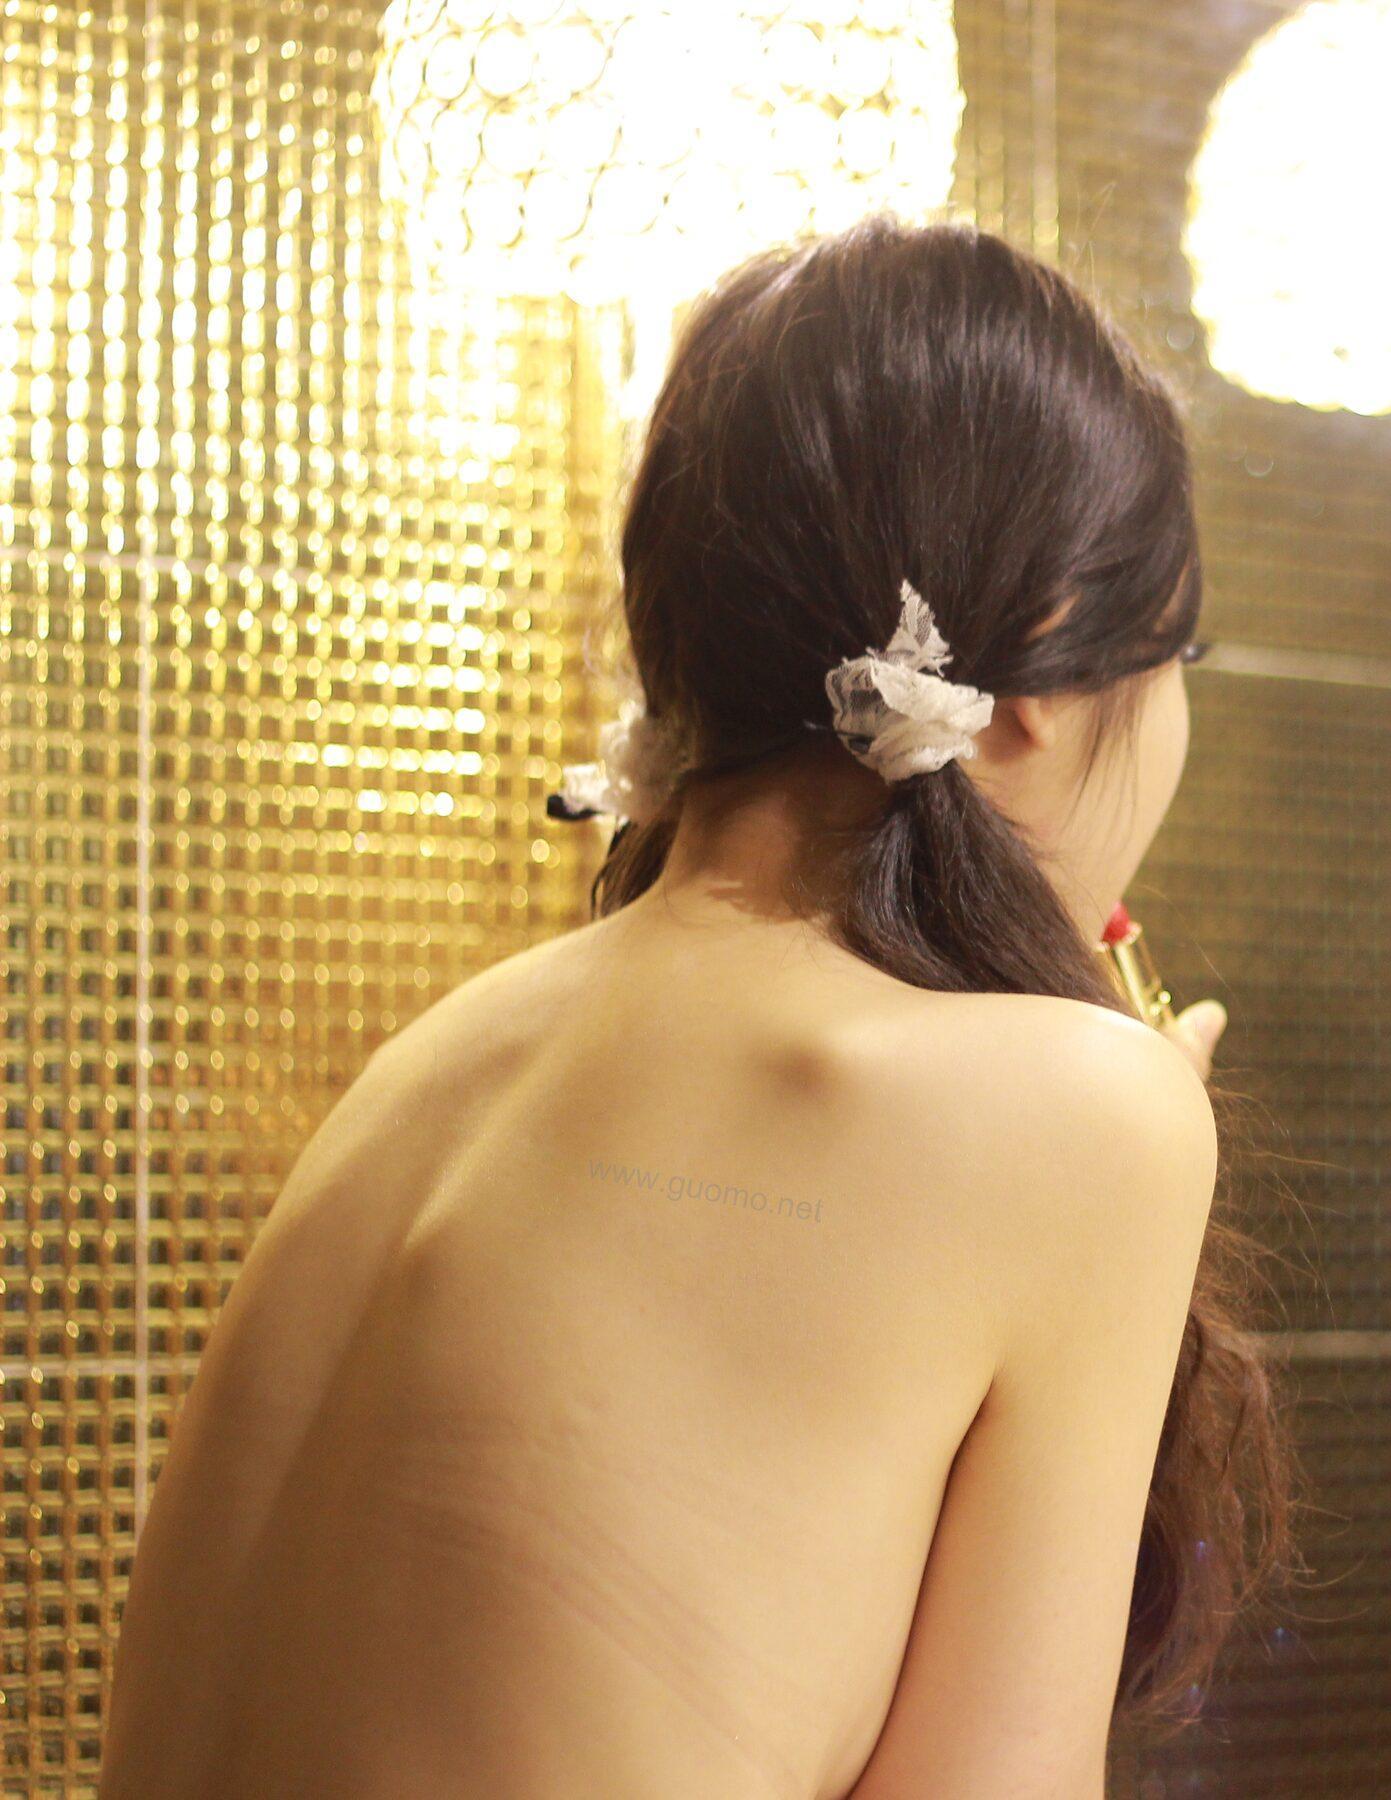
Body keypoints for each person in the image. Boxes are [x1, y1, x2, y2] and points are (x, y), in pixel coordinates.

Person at [100, 217, 1290, 1799]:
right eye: (1179, 649)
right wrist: (1123, 1151)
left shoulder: (438, 1058)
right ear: (1043, 675)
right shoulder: (1085, 1112)